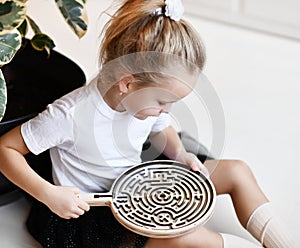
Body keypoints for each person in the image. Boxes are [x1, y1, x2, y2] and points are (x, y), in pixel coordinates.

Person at [0, 0, 295, 247]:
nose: (166, 111)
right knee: (186, 237)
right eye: (162, 102)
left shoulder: (141, 102)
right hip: (98, 213)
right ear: (127, 84)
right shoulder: (69, 115)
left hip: (138, 184)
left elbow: (160, 126)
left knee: (237, 171)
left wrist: (179, 153)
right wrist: (48, 193)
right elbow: (6, 150)